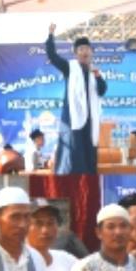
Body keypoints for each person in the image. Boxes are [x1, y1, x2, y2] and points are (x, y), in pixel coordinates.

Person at [46, 24, 107, 174]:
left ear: (91, 52)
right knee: (72, 153)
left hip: (90, 119)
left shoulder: (95, 71)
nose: (84, 52)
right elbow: (52, 56)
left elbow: (102, 91)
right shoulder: (69, 67)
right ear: (75, 53)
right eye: (80, 49)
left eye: (87, 49)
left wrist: (98, 77)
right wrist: (50, 36)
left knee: (88, 151)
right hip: (72, 118)